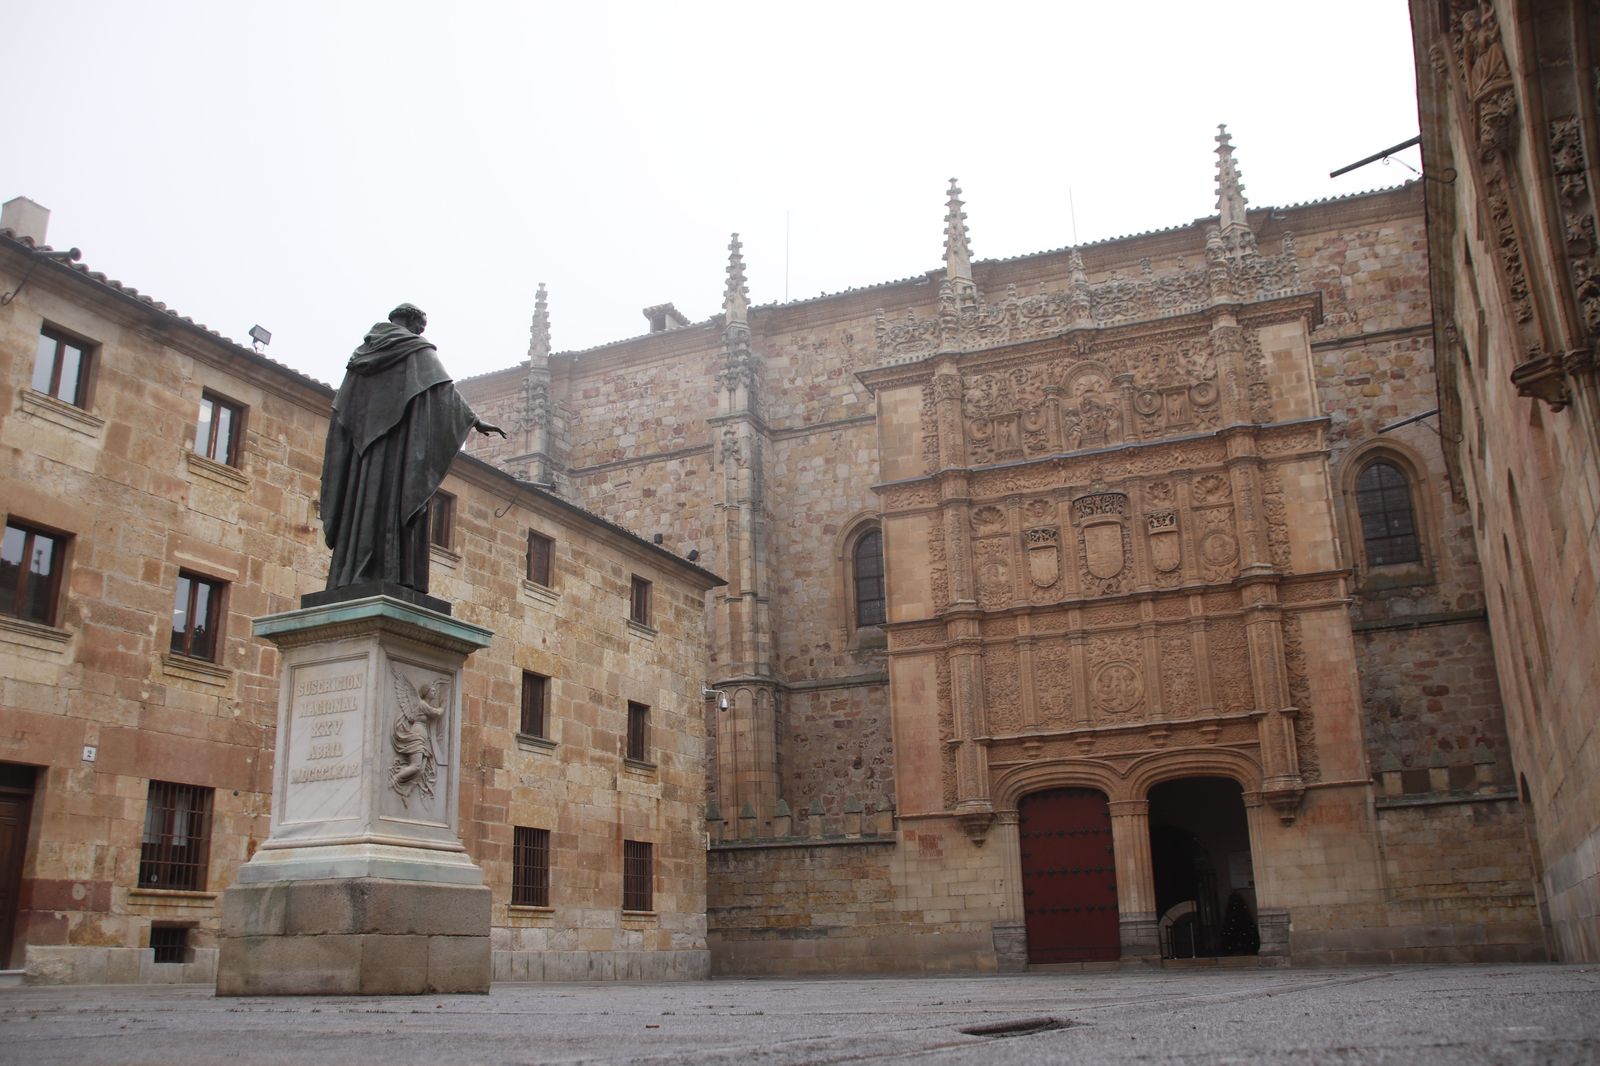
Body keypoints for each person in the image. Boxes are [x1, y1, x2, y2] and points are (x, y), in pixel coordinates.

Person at [320, 304, 505, 595]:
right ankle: (391, 573)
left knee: (365, 504)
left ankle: (352, 572)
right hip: (398, 455)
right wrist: (474, 420)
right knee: (395, 504)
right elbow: (443, 391)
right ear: (413, 323)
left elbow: (344, 409)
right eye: (420, 327)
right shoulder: (416, 349)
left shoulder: (362, 356)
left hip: (364, 455)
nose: (420, 332)